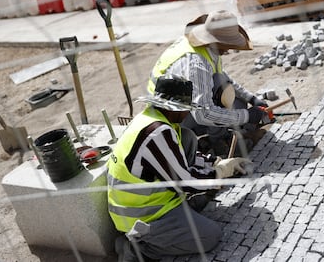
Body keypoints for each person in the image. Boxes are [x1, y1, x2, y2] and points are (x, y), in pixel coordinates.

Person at [107, 75, 251, 261]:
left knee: (187, 137)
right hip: (143, 215)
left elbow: (176, 159)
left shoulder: (151, 118)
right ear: (172, 109)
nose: (186, 114)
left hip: (154, 199)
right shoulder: (157, 133)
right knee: (209, 236)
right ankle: (137, 247)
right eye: (185, 110)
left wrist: (214, 162)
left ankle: (184, 209)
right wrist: (221, 172)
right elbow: (186, 182)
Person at [147, 10, 268, 157]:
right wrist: (247, 116)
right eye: (228, 44)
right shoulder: (197, 64)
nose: (230, 49)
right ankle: (219, 143)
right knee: (232, 105)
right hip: (170, 117)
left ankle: (218, 136)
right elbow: (203, 113)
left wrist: (252, 98)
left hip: (180, 103)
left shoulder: (207, 47)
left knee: (237, 99)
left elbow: (223, 78)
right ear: (216, 41)